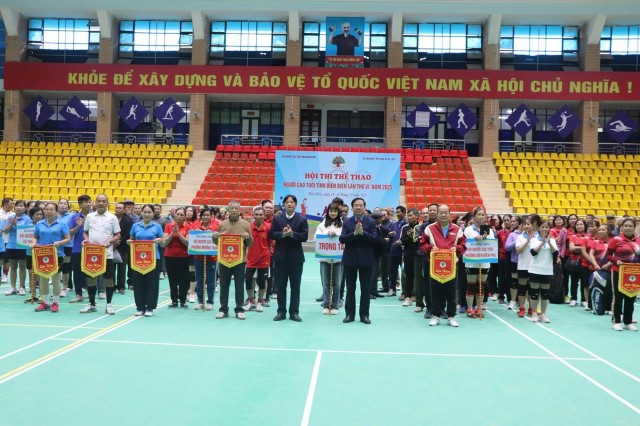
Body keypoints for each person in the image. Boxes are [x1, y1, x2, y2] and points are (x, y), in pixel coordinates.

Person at [419, 204, 466, 327]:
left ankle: (451, 316)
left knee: (451, 292)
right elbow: (422, 243)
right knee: (435, 291)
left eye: (446, 212)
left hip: (451, 267)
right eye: (441, 212)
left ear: (450, 214)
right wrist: (431, 248)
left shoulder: (457, 229)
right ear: (437, 214)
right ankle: (435, 316)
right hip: (434, 266)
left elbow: (464, 244)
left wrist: (456, 248)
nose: (443, 215)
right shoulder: (429, 228)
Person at [269, 195, 308, 322]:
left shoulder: (302, 219)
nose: (289, 204)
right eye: (287, 202)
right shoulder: (277, 218)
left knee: (295, 287)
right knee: (281, 287)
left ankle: (294, 312)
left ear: (295, 204)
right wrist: (282, 234)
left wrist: (292, 234)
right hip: (280, 258)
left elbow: (304, 237)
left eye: (292, 202)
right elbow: (272, 234)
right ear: (284, 204)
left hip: (296, 259)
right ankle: (281, 312)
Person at [80, 194, 121, 315]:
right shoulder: (90, 216)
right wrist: (87, 240)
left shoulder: (112, 217)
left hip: (107, 254)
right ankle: (91, 304)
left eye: (104, 201)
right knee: (91, 278)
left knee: (109, 279)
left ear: (108, 203)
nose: (101, 203)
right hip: (92, 253)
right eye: (99, 201)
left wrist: (110, 241)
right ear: (95, 203)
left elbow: (118, 235)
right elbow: (85, 232)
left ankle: (109, 304)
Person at [339, 197, 377, 324]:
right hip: (350, 259)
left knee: (365, 289)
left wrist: (363, 233)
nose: (359, 207)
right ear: (352, 207)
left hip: (366, 260)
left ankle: (364, 315)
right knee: (350, 288)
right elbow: (342, 239)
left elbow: (375, 239)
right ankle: (349, 314)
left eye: (361, 205)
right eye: (356, 205)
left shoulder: (371, 222)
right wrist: (355, 233)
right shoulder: (347, 222)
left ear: (364, 207)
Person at [214, 201, 253, 320]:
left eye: (236, 208)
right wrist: (214, 237)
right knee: (224, 285)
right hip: (224, 259)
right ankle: (223, 309)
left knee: (239, 285)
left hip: (240, 260)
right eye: (232, 208)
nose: (234, 210)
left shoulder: (246, 224)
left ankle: (239, 309)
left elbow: (250, 243)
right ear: (228, 210)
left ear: (240, 210)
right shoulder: (222, 225)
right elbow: (217, 243)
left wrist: (248, 237)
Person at [32, 203, 70, 312]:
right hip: (42, 255)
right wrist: (34, 243)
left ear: (56, 211)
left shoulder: (62, 224)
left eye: (51, 209)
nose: (49, 211)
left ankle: (55, 303)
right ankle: (45, 303)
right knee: (43, 279)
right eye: (47, 209)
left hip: (57, 255)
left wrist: (59, 243)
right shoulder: (39, 224)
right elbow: (35, 237)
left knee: (55, 279)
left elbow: (67, 238)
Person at [128, 204, 164, 317]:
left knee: (152, 284)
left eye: (149, 212)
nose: (147, 214)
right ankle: (140, 307)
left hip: (153, 259)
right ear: (141, 213)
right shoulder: (135, 226)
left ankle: (150, 308)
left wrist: (160, 241)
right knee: (138, 283)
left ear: (153, 214)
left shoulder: (157, 227)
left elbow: (163, 243)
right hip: (138, 259)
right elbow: (132, 239)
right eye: (145, 212)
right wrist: (129, 242)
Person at [606, 218, 640, 331]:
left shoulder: (638, 241)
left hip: (633, 273)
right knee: (618, 297)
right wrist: (616, 261)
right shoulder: (616, 240)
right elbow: (608, 255)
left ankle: (628, 322)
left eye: (630, 226)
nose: (628, 228)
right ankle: (616, 321)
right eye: (626, 226)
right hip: (618, 271)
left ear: (634, 227)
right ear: (622, 227)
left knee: (631, 297)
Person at [463, 207, 496, 318]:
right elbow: (465, 242)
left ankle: (479, 308)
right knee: (471, 286)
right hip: (471, 261)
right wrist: (475, 238)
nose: (481, 216)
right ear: (474, 216)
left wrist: (486, 238)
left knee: (481, 286)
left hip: (484, 261)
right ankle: (470, 309)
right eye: (479, 214)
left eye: (483, 215)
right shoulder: (468, 229)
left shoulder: (488, 230)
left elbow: (492, 244)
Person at [527, 216, 557, 323]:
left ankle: (543, 314)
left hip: (547, 270)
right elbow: (533, 252)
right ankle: (534, 313)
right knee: (534, 293)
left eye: (546, 227)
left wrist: (548, 242)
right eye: (543, 227)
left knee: (545, 294)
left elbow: (555, 253)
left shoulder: (552, 240)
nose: (545, 229)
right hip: (535, 269)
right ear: (539, 228)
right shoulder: (534, 240)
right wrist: (542, 242)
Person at [314, 202, 343, 315]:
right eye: (331, 211)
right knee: (326, 283)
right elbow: (316, 238)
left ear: (338, 213)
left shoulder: (342, 224)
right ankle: (326, 305)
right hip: (324, 258)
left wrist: (336, 234)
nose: (333, 213)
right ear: (328, 212)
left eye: (335, 211)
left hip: (338, 258)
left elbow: (345, 237)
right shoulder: (322, 224)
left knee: (337, 283)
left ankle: (335, 305)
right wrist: (327, 234)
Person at [243, 206, 272, 313]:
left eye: (261, 214)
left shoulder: (268, 227)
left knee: (262, 281)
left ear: (264, 216)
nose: (259, 216)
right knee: (248, 281)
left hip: (264, 259)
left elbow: (270, 243)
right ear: (253, 215)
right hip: (250, 259)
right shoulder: (248, 227)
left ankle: (260, 302)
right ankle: (251, 301)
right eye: (256, 214)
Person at [192, 208, 220, 312]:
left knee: (211, 281)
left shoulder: (215, 227)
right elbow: (192, 240)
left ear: (211, 216)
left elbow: (219, 241)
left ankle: (210, 302)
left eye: (208, 215)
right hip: (198, 257)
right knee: (199, 280)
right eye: (204, 215)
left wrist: (216, 235)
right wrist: (195, 234)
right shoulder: (195, 227)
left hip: (212, 258)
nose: (206, 217)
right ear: (201, 216)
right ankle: (200, 301)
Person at [163, 207, 191, 308]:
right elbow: (165, 242)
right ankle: (174, 300)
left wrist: (178, 233)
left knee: (183, 279)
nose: (179, 216)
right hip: (169, 256)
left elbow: (188, 243)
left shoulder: (188, 227)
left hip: (184, 257)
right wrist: (172, 233)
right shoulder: (168, 226)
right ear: (174, 215)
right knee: (172, 279)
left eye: (181, 215)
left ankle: (183, 300)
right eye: (177, 214)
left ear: (185, 217)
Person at [4, 200, 32, 296]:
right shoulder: (10, 218)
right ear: (14, 207)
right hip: (11, 245)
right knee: (13, 267)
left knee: (22, 267)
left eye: (21, 206)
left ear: (25, 208)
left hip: (22, 246)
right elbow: (6, 231)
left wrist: (16, 225)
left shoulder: (28, 219)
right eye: (17, 206)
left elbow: (27, 232)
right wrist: (11, 224)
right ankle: (12, 287)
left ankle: (22, 287)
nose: (18, 207)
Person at [68, 195, 92, 303]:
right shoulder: (75, 217)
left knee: (91, 272)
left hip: (91, 248)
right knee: (77, 272)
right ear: (80, 204)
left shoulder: (94, 216)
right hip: (77, 248)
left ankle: (91, 295)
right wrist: (78, 226)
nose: (88, 204)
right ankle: (78, 294)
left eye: (89, 202)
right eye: (86, 202)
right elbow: (70, 234)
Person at [399, 208, 420, 308]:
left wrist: (415, 236)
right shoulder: (405, 228)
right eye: (408, 215)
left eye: (411, 215)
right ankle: (408, 297)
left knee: (419, 277)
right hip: (408, 255)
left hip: (419, 255)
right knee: (408, 276)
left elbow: (421, 241)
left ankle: (419, 297)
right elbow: (402, 241)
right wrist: (410, 237)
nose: (409, 217)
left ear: (417, 216)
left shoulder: (421, 227)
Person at [515, 216, 534, 318]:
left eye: (528, 224)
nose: (526, 226)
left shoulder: (537, 237)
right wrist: (527, 241)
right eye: (525, 224)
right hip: (522, 266)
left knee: (532, 289)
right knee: (522, 289)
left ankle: (531, 309)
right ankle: (522, 308)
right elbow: (518, 250)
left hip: (534, 267)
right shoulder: (520, 237)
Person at [114, 202, 133, 294]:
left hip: (123, 247)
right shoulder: (111, 218)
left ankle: (121, 286)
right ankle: (112, 286)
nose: (118, 209)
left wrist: (119, 241)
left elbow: (129, 234)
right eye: (117, 208)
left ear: (124, 209)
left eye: (120, 208)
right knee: (111, 267)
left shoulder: (128, 220)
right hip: (111, 246)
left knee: (122, 268)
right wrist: (113, 241)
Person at [387, 206, 406, 297]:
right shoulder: (394, 224)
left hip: (404, 252)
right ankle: (392, 289)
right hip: (394, 251)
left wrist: (401, 242)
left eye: (399, 212)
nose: (397, 214)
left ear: (404, 212)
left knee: (405, 273)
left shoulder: (407, 224)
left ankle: (405, 292)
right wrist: (390, 235)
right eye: (396, 212)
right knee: (392, 272)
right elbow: (390, 236)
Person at [57, 198, 74, 297]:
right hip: (55, 245)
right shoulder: (53, 216)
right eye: (61, 203)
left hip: (68, 245)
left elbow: (72, 230)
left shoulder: (71, 217)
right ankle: (57, 288)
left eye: (65, 204)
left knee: (66, 266)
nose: (63, 205)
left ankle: (64, 288)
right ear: (58, 205)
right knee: (56, 267)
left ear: (68, 206)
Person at [153, 204, 169, 280]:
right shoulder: (149, 220)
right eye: (155, 209)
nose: (156, 210)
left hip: (161, 242)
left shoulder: (164, 220)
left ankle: (162, 272)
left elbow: (166, 232)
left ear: (160, 210)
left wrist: (162, 240)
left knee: (162, 257)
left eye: (158, 209)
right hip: (151, 243)